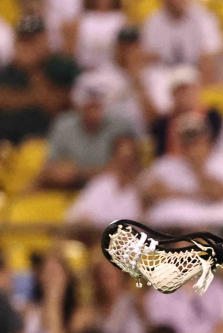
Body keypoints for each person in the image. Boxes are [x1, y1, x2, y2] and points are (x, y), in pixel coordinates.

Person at [141, 112, 223, 229]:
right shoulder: (166, 164)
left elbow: (220, 194)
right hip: (167, 229)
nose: (191, 145)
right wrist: (196, 195)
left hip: (211, 229)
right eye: (186, 139)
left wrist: (197, 168)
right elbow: (147, 195)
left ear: (207, 138)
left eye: (196, 139)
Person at [35, 72, 134, 189]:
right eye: (88, 103)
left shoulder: (119, 126)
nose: (93, 108)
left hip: (107, 191)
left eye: (97, 102)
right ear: (78, 104)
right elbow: (52, 171)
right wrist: (96, 172)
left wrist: (78, 173)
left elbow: (123, 170)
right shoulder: (63, 124)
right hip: (66, 190)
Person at [0, 16, 80, 145]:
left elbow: (59, 108)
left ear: (45, 39)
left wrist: (32, 71)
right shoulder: (7, 70)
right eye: (24, 40)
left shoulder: (62, 66)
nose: (28, 46)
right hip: (7, 144)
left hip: (49, 142)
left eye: (33, 40)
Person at [66, 132, 143, 227]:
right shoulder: (100, 184)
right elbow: (74, 218)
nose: (126, 165)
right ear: (113, 159)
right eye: (122, 159)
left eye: (130, 160)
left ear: (137, 161)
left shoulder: (144, 188)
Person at [141, 0, 223, 85]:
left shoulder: (204, 19)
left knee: (215, 66)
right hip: (166, 75)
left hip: (196, 71)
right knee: (152, 75)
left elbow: (210, 56)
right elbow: (150, 58)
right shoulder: (152, 22)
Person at [148, 65, 221, 157]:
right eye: (181, 90)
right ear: (173, 94)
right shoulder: (162, 125)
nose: (186, 94)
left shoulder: (213, 117)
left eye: (190, 89)